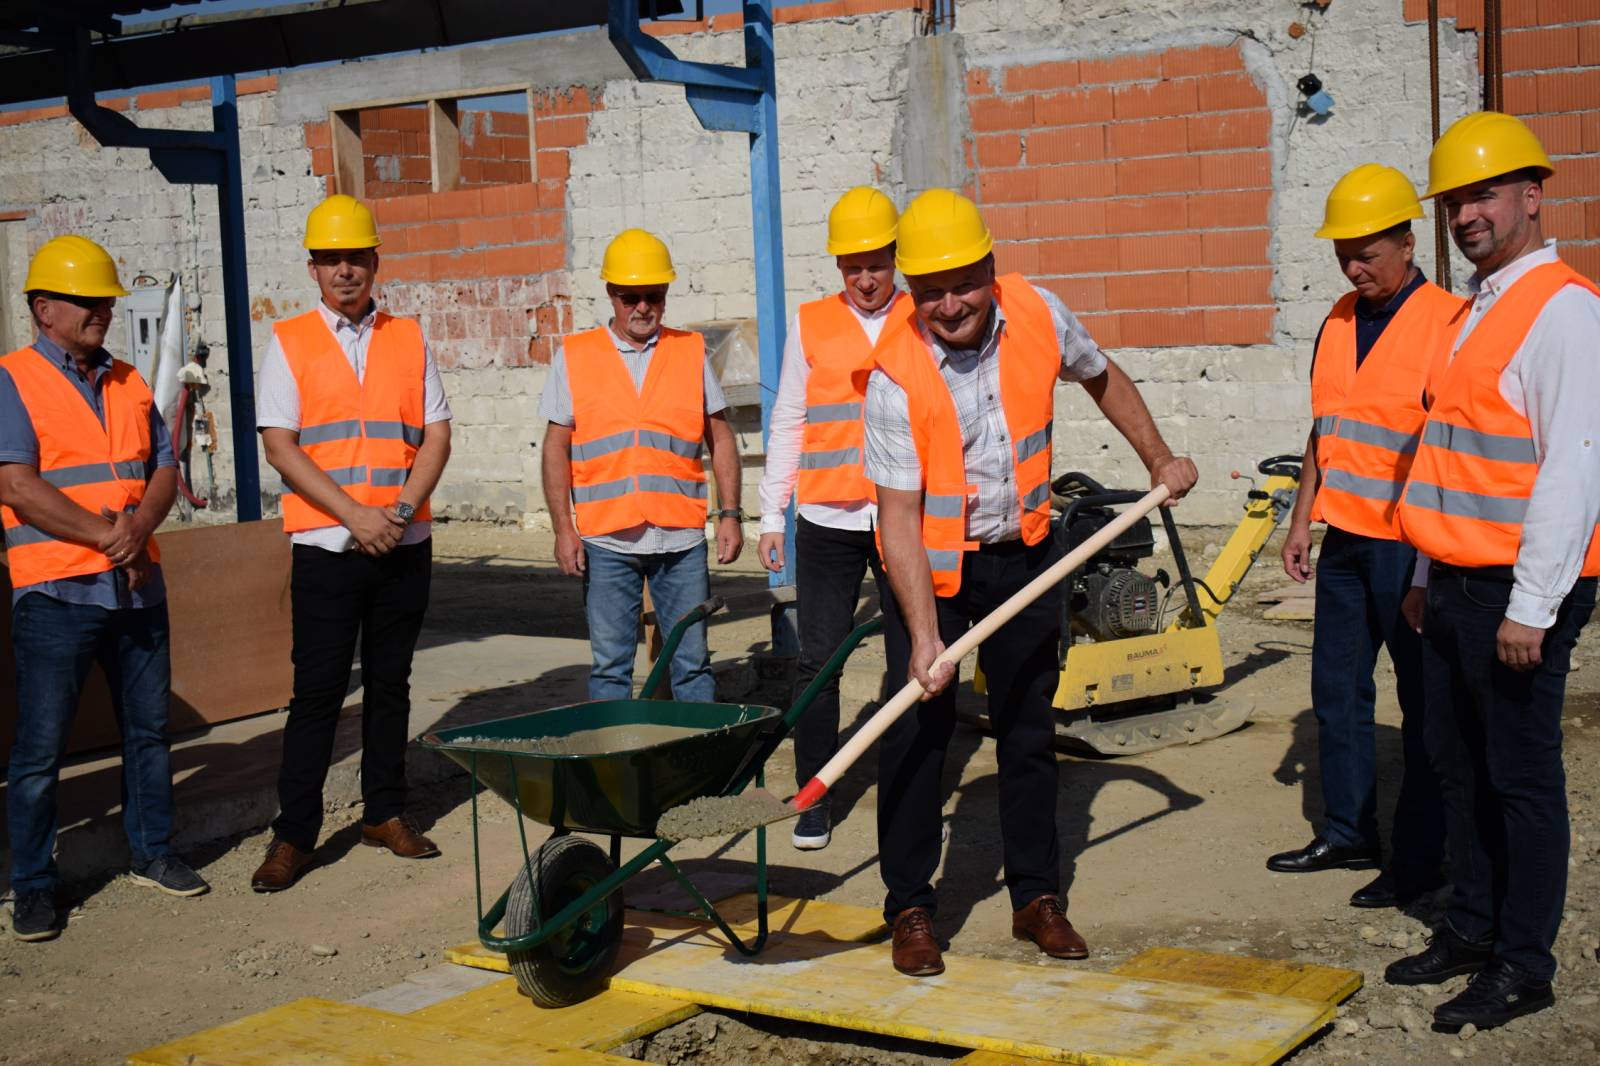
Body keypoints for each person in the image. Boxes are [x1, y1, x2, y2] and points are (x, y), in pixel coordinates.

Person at [864, 189, 1197, 977]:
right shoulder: (894, 376)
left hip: (1025, 555)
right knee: (918, 730)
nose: (949, 303)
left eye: (962, 282)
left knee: (1025, 728)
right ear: (913, 292)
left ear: (989, 266)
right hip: (934, 574)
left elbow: (1101, 373)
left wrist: (1158, 457)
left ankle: (1036, 898)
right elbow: (900, 521)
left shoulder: (1040, 313)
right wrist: (923, 637)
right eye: (930, 290)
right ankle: (911, 906)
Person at [1386, 112, 1600, 1032]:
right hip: (1459, 581)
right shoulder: (1476, 307)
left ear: (1530, 196)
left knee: (1519, 777)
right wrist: (1429, 575)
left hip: (1520, 591)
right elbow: (1455, 457)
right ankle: (1471, 926)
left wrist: (1534, 606)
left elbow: (1575, 462)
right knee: (1458, 763)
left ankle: (1524, 961)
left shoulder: (1564, 310)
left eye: (1481, 195)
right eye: (1453, 200)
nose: (1465, 214)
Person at [0, 235, 209, 941]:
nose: (102, 312)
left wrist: (139, 526)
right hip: (56, 596)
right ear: (43, 308)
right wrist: (105, 538)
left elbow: (162, 466)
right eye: (88, 302)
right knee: (39, 751)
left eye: (106, 302)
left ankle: (153, 851)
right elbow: (19, 489)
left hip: (136, 590)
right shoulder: (12, 380)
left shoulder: (128, 379)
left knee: (148, 733)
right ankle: (32, 886)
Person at [251, 194, 453, 892]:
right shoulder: (291, 340)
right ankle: (295, 836)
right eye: (331, 259)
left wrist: (395, 511)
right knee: (317, 694)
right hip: (328, 547)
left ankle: (384, 813)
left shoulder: (409, 336)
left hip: (403, 540)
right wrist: (355, 516)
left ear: (375, 262)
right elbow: (281, 446)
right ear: (313, 268)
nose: (344, 270)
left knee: (391, 686)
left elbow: (436, 434)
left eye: (356, 257)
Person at [1267, 164, 1455, 909]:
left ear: (1407, 243)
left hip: (1410, 546)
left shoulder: (1446, 321)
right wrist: (1300, 516)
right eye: (1344, 252)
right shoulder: (1339, 320)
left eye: (1368, 251)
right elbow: (1326, 425)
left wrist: (1431, 560)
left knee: (1421, 699)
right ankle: (1348, 831)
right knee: (1336, 691)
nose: (1354, 265)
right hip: (1345, 537)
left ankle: (1423, 855)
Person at [756, 187, 910, 850]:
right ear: (839, 266)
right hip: (827, 517)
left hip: (903, 514)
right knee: (818, 660)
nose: (866, 278)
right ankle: (813, 793)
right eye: (853, 267)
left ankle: (909, 790)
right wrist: (772, 514)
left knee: (913, 658)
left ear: (895, 259)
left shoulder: (923, 317)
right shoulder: (811, 321)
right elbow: (789, 416)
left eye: (876, 263)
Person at [539, 229, 742, 703]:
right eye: (631, 297)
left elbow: (721, 435)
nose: (643, 307)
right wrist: (562, 529)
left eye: (654, 296)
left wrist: (730, 513)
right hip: (606, 540)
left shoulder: (690, 350)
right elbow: (556, 447)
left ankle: (696, 769)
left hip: (681, 539)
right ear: (611, 293)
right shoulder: (575, 356)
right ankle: (613, 772)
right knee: (610, 668)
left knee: (692, 665)